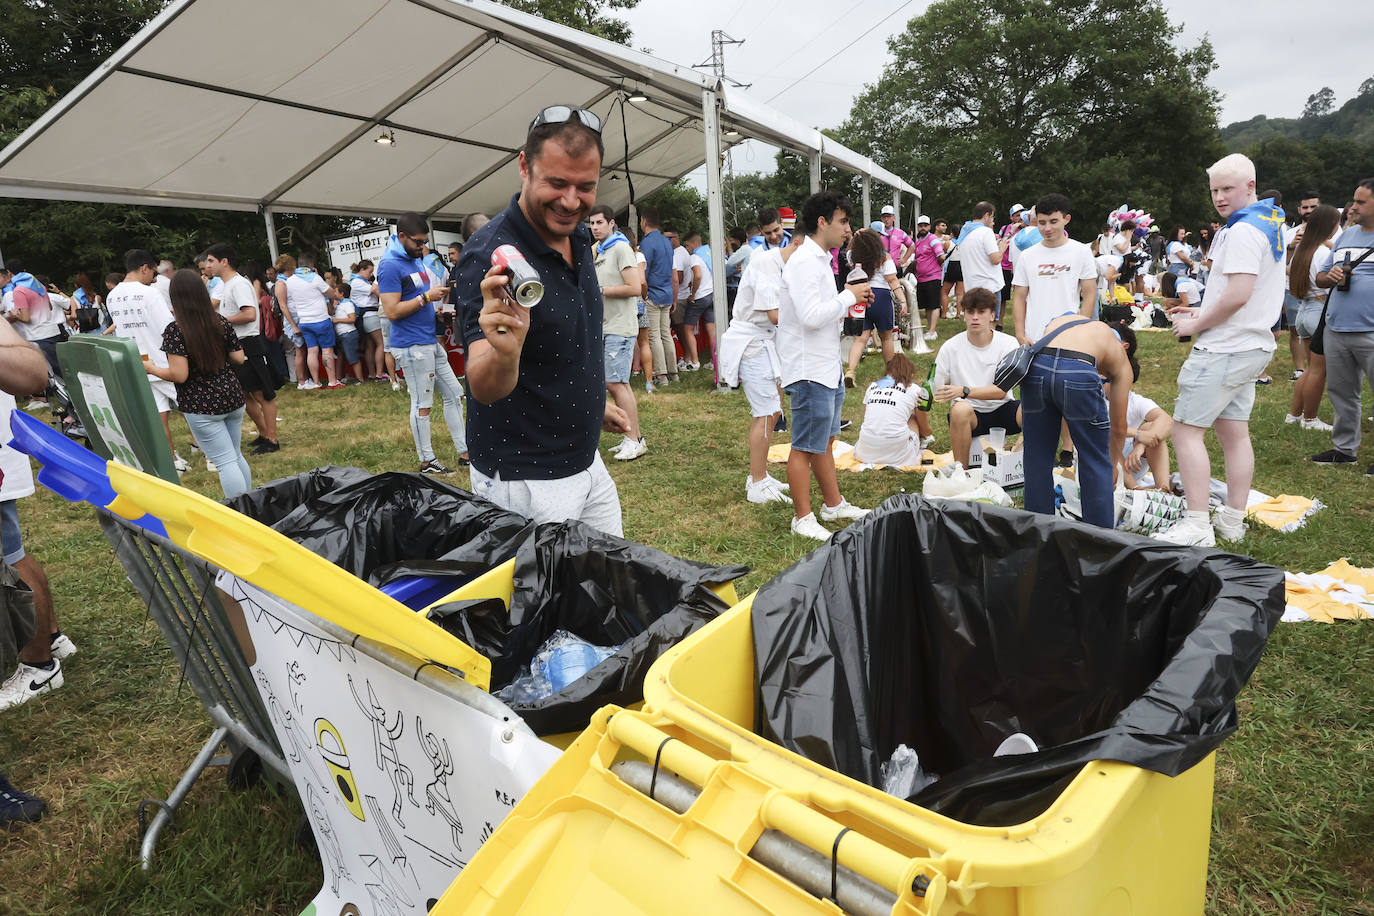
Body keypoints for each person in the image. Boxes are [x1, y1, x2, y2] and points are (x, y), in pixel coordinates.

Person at [457, 106, 631, 534]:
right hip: (527, 478)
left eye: (585, 187)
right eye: (556, 183)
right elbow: (483, 386)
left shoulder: (578, 232)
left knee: (611, 588)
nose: (571, 201)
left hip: (585, 461)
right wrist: (506, 352)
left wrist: (590, 404)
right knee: (547, 601)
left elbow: (569, 337)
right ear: (523, 166)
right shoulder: (489, 255)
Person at [1158, 154, 1287, 546]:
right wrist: (1203, 309)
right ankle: (1232, 519)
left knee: (1184, 433)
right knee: (1234, 433)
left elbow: (1238, 293)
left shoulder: (1243, 231)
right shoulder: (1267, 223)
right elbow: (1244, 294)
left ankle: (1198, 526)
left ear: (1250, 187)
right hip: (1250, 343)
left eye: (1228, 188)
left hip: (1226, 348)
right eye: (1215, 189)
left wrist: (1197, 323)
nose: (1219, 197)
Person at [777, 189, 874, 542]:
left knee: (825, 441)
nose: (848, 229)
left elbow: (823, 312)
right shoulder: (804, 262)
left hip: (824, 366)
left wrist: (850, 299)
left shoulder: (819, 259)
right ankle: (802, 517)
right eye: (843, 221)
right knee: (804, 445)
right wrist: (849, 296)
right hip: (807, 370)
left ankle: (832, 503)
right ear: (822, 222)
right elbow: (810, 316)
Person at [141, 270, 252, 498]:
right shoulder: (220, 321)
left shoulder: (175, 331)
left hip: (201, 405)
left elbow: (179, 375)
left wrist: (151, 369)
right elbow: (239, 358)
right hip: (232, 396)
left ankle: (243, 512)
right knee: (236, 456)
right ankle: (251, 503)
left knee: (225, 462)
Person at [1020, 314, 1133, 528]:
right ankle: (1099, 541)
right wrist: (1111, 465)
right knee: (1095, 461)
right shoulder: (1120, 359)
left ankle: (1037, 535)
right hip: (1077, 373)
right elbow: (1119, 428)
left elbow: (1054, 363)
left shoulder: (1067, 320)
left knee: (1036, 457)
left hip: (1037, 367)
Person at [378, 213, 469, 475]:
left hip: (428, 339)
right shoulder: (389, 265)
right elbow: (392, 311)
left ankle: (465, 453)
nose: (423, 247)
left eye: (425, 242)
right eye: (418, 242)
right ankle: (427, 462)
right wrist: (426, 298)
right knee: (422, 404)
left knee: (455, 394)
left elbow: (417, 299)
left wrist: (437, 313)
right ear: (402, 237)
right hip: (411, 345)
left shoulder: (414, 260)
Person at [718, 232, 804, 504]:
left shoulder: (785, 265)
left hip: (766, 340)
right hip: (753, 342)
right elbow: (776, 314)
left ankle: (761, 474)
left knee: (775, 408)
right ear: (798, 244)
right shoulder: (766, 262)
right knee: (766, 413)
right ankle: (756, 482)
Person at [104, 249, 192, 472]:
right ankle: (212, 456)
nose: (154, 277)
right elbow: (169, 329)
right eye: (153, 271)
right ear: (144, 267)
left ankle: (171, 461)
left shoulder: (112, 295)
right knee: (195, 410)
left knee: (158, 417)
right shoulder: (149, 293)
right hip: (166, 362)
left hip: (139, 363)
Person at [1311, 178, 1374, 473]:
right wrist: (1331, 274)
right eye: (1354, 201)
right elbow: (1320, 278)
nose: (1353, 207)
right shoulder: (1346, 236)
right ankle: (1345, 449)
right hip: (1337, 328)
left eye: (1361, 202)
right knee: (1341, 392)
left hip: (1370, 330)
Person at [204, 243, 281, 455]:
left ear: (224, 261)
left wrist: (220, 322)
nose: (207, 265)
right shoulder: (225, 285)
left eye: (211, 260)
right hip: (234, 345)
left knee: (262, 395)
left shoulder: (238, 284)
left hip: (249, 344)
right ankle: (264, 434)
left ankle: (273, 440)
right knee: (243, 395)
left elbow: (249, 314)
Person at [931, 288, 1021, 467]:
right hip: (970, 415)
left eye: (981, 312)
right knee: (959, 409)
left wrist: (964, 391)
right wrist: (927, 395)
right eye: (970, 312)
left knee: (1034, 409)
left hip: (1003, 409)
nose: (975, 317)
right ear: (963, 315)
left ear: (992, 315)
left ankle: (1028, 465)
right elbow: (934, 387)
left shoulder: (1008, 343)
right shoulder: (950, 347)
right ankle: (961, 472)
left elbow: (1001, 392)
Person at [589, 205, 646, 460]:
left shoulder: (621, 248)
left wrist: (601, 290)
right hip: (605, 325)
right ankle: (633, 436)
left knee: (617, 384)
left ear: (611, 223)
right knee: (612, 383)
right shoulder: (599, 250)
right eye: (591, 223)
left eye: (599, 222)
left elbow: (635, 287)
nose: (595, 227)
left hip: (620, 327)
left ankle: (633, 439)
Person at [1011, 193, 1098, 345]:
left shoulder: (1081, 252)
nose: (1047, 228)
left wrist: (1081, 328)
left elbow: (1090, 293)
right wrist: (1020, 334)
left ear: (1066, 219)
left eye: (1053, 221)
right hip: (1034, 338)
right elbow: (1019, 297)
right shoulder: (1027, 256)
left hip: (1070, 336)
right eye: (1042, 222)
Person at [1285, 204, 1341, 430]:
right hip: (1318, 311)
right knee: (1318, 371)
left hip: (1304, 310)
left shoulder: (1303, 249)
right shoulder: (1323, 252)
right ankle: (1310, 419)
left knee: (1310, 370)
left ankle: (1295, 414)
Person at [843, 228, 904, 387]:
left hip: (859, 295)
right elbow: (892, 280)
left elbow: (849, 249)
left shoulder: (853, 256)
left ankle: (850, 371)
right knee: (886, 338)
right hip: (881, 297)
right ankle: (890, 375)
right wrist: (903, 300)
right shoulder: (885, 257)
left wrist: (855, 237)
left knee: (860, 339)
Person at [853, 353, 935, 466]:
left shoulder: (873, 386)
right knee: (912, 417)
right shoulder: (914, 390)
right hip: (898, 456)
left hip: (864, 452)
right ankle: (915, 444)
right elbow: (926, 430)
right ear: (910, 373)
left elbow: (867, 416)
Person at [282, 253, 342, 390]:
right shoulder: (315, 278)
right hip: (321, 319)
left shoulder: (290, 281)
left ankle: (316, 383)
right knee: (326, 351)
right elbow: (331, 293)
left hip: (304, 322)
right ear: (310, 265)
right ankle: (332, 382)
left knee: (312, 351)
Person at [638, 206, 677, 388]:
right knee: (666, 334)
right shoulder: (666, 241)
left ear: (644, 221)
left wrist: (643, 294)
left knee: (654, 336)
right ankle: (673, 372)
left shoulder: (647, 243)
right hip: (667, 293)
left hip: (653, 294)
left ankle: (661, 375)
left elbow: (643, 272)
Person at [958, 202, 1009, 320]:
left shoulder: (965, 232)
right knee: (989, 322)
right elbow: (995, 259)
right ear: (986, 215)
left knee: (975, 321)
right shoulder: (986, 232)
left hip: (971, 285)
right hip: (989, 286)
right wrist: (1001, 249)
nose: (992, 220)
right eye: (992, 217)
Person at [682, 232, 717, 370]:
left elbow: (697, 276)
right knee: (711, 329)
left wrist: (692, 293)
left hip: (700, 296)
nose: (687, 248)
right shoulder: (709, 253)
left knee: (687, 329)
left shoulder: (695, 257)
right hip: (712, 294)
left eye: (688, 245)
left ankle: (694, 362)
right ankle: (715, 360)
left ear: (694, 244)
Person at [349, 260, 386, 382]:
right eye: (369, 272)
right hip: (370, 315)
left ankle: (372, 373)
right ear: (362, 270)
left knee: (370, 346)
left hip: (366, 317)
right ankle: (379, 374)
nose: (371, 275)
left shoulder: (358, 281)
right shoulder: (358, 282)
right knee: (381, 344)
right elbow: (375, 291)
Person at [909, 215, 945, 340]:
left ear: (929, 227)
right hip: (922, 278)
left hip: (932, 277)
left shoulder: (933, 239)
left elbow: (941, 256)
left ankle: (932, 331)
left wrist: (934, 268)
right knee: (927, 306)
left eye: (925, 225)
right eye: (920, 225)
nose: (923, 228)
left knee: (934, 305)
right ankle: (930, 330)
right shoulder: (918, 240)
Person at [330, 279, 364, 384]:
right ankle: (340, 378)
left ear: (342, 293)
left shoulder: (347, 304)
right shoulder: (340, 304)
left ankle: (360, 380)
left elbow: (352, 318)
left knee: (352, 357)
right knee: (343, 356)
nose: (334, 293)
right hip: (343, 334)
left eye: (336, 291)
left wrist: (337, 320)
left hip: (348, 334)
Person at [669, 229, 694, 371]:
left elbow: (678, 278)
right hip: (683, 295)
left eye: (668, 238)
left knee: (681, 329)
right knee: (682, 329)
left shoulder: (678, 254)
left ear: (675, 238)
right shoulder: (682, 252)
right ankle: (688, 356)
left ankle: (687, 357)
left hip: (679, 297)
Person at [878, 204, 915, 274]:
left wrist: (904, 259)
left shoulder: (900, 233)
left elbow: (912, 246)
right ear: (881, 219)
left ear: (894, 218)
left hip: (895, 268)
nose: (886, 219)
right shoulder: (876, 231)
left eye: (889, 216)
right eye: (884, 217)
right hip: (880, 268)